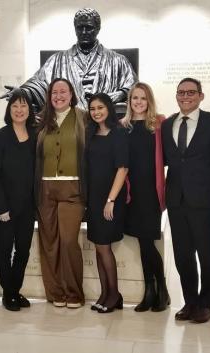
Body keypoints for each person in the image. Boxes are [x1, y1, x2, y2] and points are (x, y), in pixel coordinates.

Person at [161, 77, 210, 323]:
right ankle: (190, 302)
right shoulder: (167, 126)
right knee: (182, 255)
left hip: (205, 200)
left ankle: (206, 304)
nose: (185, 96)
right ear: (176, 96)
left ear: (201, 95)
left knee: (207, 255)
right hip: (176, 201)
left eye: (190, 92)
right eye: (181, 92)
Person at [1, 8, 136, 110]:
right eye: (80, 27)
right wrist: (23, 93)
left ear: (98, 29)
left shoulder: (118, 61)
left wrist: (119, 94)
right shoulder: (57, 60)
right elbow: (39, 84)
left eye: (88, 28)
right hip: (67, 127)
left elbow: (135, 87)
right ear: (75, 29)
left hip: (104, 127)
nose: (83, 32)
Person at [35, 78, 87, 308]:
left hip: (73, 188)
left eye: (63, 91)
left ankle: (74, 293)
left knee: (67, 241)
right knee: (49, 243)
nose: (58, 95)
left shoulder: (83, 117)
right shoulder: (42, 121)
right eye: (54, 92)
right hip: (45, 188)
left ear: (71, 94)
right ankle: (55, 292)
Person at [121, 82, 170, 312]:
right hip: (132, 193)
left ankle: (162, 289)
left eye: (142, 98)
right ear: (129, 102)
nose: (138, 102)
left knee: (149, 242)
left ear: (149, 100)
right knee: (143, 242)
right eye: (134, 98)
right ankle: (150, 291)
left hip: (151, 192)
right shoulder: (124, 126)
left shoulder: (159, 124)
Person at [0, 90, 36, 311]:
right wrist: (0, 207)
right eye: (15, 106)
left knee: (23, 250)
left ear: (29, 110)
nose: (19, 110)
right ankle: (8, 293)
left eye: (23, 106)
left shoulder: (36, 136)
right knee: (5, 249)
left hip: (28, 206)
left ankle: (15, 289)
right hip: (4, 207)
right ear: (9, 110)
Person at [86, 93, 128, 313]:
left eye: (100, 107)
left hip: (110, 198)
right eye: (92, 108)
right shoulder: (91, 133)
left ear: (109, 108)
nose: (96, 112)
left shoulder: (118, 133)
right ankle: (105, 293)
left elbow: (123, 168)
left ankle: (115, 295)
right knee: (98, 245)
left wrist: (110, 200)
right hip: (93, 199)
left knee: (104, 246)